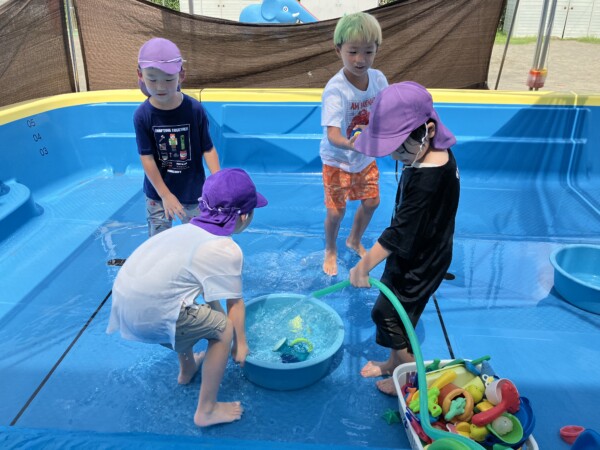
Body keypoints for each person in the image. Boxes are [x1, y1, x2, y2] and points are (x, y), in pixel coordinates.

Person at [106, 168, 268, 426]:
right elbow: (235, 303)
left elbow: (208, 292)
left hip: (126, 307)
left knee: (185, 305)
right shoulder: (225, 248)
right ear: (245, 215)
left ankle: (187, 369)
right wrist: (239, 343)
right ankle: (207, 410)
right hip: (153, 317)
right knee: (223, 328)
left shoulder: (186, 233)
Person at [349, 82, 460, 396]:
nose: (394, 156)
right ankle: (391, 363)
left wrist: (363, 267)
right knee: (398, 314)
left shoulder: (427, 181)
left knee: (387, 315)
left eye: (398, 147)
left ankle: (414, 383)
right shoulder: (433, 152)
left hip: (422, 260)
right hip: (421, 247)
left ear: (427, 130)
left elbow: (399, 232)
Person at [320, 12, 388, 276]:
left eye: (368, 52)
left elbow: (386, 113)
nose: (360, 59)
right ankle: (330, 249)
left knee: (372, 202)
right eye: (353, 52)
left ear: (377, 50)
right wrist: (353, 144)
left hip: (364, 158)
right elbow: (333, 135)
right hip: (337, 160)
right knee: (336, 213)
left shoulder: (379, 80)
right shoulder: (336, 89)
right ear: (338, 50)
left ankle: (353, 239)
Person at [135, 37, 220, 236]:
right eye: (152, 79)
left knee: (199, 238)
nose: (160, 87)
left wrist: (218, 182)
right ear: (140, 75)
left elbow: (208, 149)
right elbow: (147, 158)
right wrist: (165, 195)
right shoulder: (142, 115)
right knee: (158, 241)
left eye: (168, 79)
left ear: (181, 75)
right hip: (158, 195)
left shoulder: (194, 109)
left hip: (193, 192)